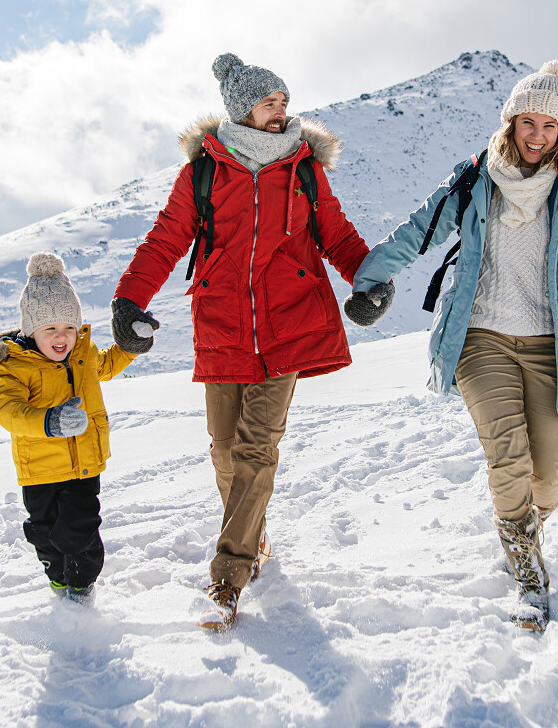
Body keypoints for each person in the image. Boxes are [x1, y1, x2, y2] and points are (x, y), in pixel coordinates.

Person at [345, 60, 558, 631]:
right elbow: (417, 230)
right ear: (510, 123)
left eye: (549, 126)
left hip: (553, 344)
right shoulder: (475, 180)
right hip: (481, 337)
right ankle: (529, 573)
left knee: (548, 473)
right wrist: (369, 279)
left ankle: (522, 525)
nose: (537, 135)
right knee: (508, 455)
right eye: (527, 122)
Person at [110, 53, 371, 631]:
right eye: (269, 101)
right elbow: (166, 239)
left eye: (284, 100)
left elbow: (338, 235)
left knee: (256, 448)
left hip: (287, 327)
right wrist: (130, 298)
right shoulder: (205, 172)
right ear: (241, 110)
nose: (281, 109)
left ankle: (229, 576)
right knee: (224, 448)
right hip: (223, 327)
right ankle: (252, 532)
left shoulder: (304, 169)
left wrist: (370, 281)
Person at [0, 252, 138, 605]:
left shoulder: (82, 352)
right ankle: (57, 579)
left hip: (82, 463)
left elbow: (105, 366)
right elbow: (7, 410)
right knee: (45, 534)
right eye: (50, 329)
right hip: (39, 470)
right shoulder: (12, 365)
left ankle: (81, 589)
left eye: (69, 326)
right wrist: (49, 422)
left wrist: (130, 346)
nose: (61, 337)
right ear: (31, 330)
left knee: (79, 529)